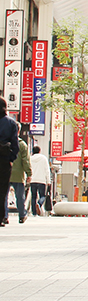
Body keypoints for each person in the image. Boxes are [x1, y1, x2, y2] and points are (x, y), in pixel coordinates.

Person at [0, 97, 19, 227]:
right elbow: (15, 145)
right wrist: (11, 159)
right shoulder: (11, 123)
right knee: (2, 190)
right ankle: (1, 217)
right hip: (4, 160)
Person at [6, 136, 31, 224]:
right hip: (19, 175)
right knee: (20, 196)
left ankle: (4, 216)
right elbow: (25, 160)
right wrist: (29, 173)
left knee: (4, 196)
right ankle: (22, 215)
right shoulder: (22, 144)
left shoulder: (5, 143)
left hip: (5, 173)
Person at [30, 145, 50, 217]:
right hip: (42, 180)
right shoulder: (43, 158)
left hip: (33, 180)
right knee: (42, 196)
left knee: (33, 196)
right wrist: (48, 181)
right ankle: (39, 203)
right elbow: (47, 170)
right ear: (39, 151)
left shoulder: (30, 158)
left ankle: (34, 213)